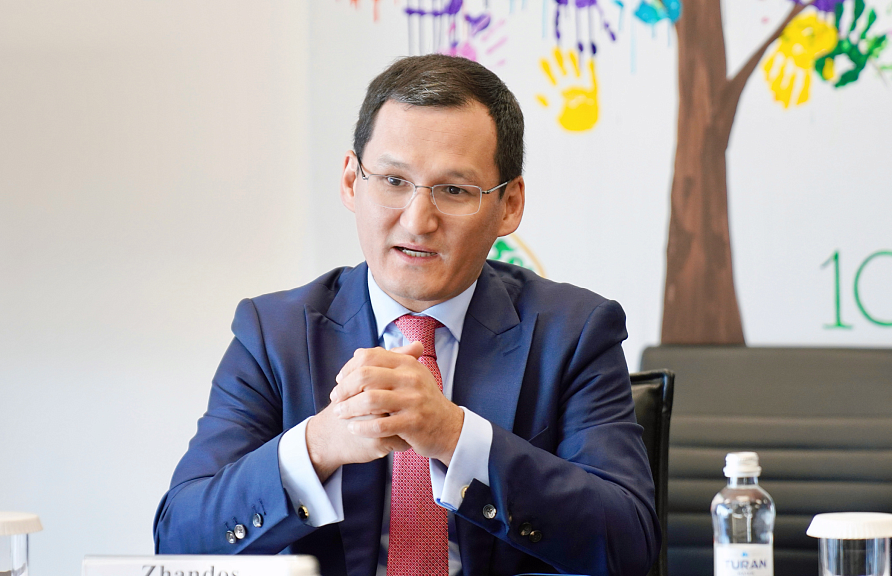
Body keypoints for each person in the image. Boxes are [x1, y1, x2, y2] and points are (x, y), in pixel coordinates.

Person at [154, 54, 660, 576]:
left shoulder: (574, 332)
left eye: (455, 190)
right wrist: (319, 444)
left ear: (509, 205)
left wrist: (455, 436)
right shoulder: (272, 334)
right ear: (351, 181)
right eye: (393, 181)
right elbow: (179, 541)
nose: (418, 221)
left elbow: (629, 546)